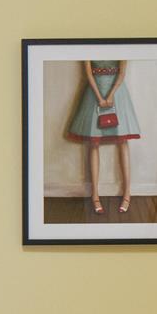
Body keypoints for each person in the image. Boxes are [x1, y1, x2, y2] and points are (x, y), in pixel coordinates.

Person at [65, 59, 141, 215]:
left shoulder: (121, 44)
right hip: (94, 92)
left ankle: (127, 193)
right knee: (93, 143)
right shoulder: (89, 43)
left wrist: (111, 95)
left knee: (123, 141)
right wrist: (100, 98)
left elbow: (121, 72)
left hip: (117, 92)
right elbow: (88, 72)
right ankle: (95, 195)